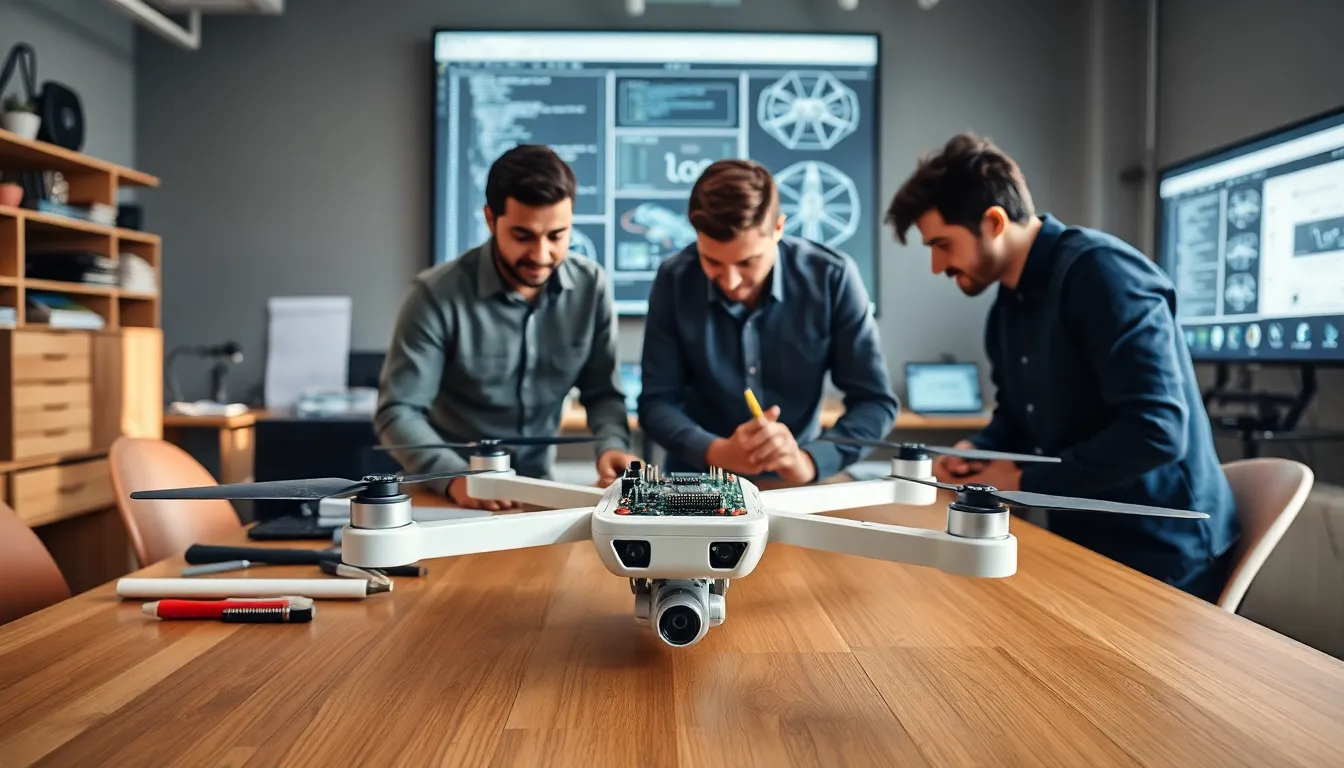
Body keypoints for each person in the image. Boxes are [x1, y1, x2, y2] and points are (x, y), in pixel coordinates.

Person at [884, 131, 1240, 601]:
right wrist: (979, 448)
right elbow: (1017, 417)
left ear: (993, 222)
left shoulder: (1102, 274)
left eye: (942, 245)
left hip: (1164, 557)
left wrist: (1024, 480)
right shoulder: (1005, 311)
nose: (936, 266)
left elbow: (1158, 430)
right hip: (1083, 545)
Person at [375, 144, 640, 509]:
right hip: (451, 495)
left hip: (539, 494)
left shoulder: (591, 287)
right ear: (489, 219)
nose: (541, 255)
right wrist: (455, 478)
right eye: (522, 236)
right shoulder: (434, 294)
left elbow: (603, 394)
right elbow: (398, 412)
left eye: (557, 236)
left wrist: (613, 445)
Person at [638, 159, 899, 485]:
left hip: (800, 484)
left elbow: (875, 402)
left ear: (778, 228)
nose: (730, 281)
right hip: (699, 481)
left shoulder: (832, 278)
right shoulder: (673, 280)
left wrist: (810, 462)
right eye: (712, 261)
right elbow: (656, 402)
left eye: (747, 262)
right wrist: (716, 452)